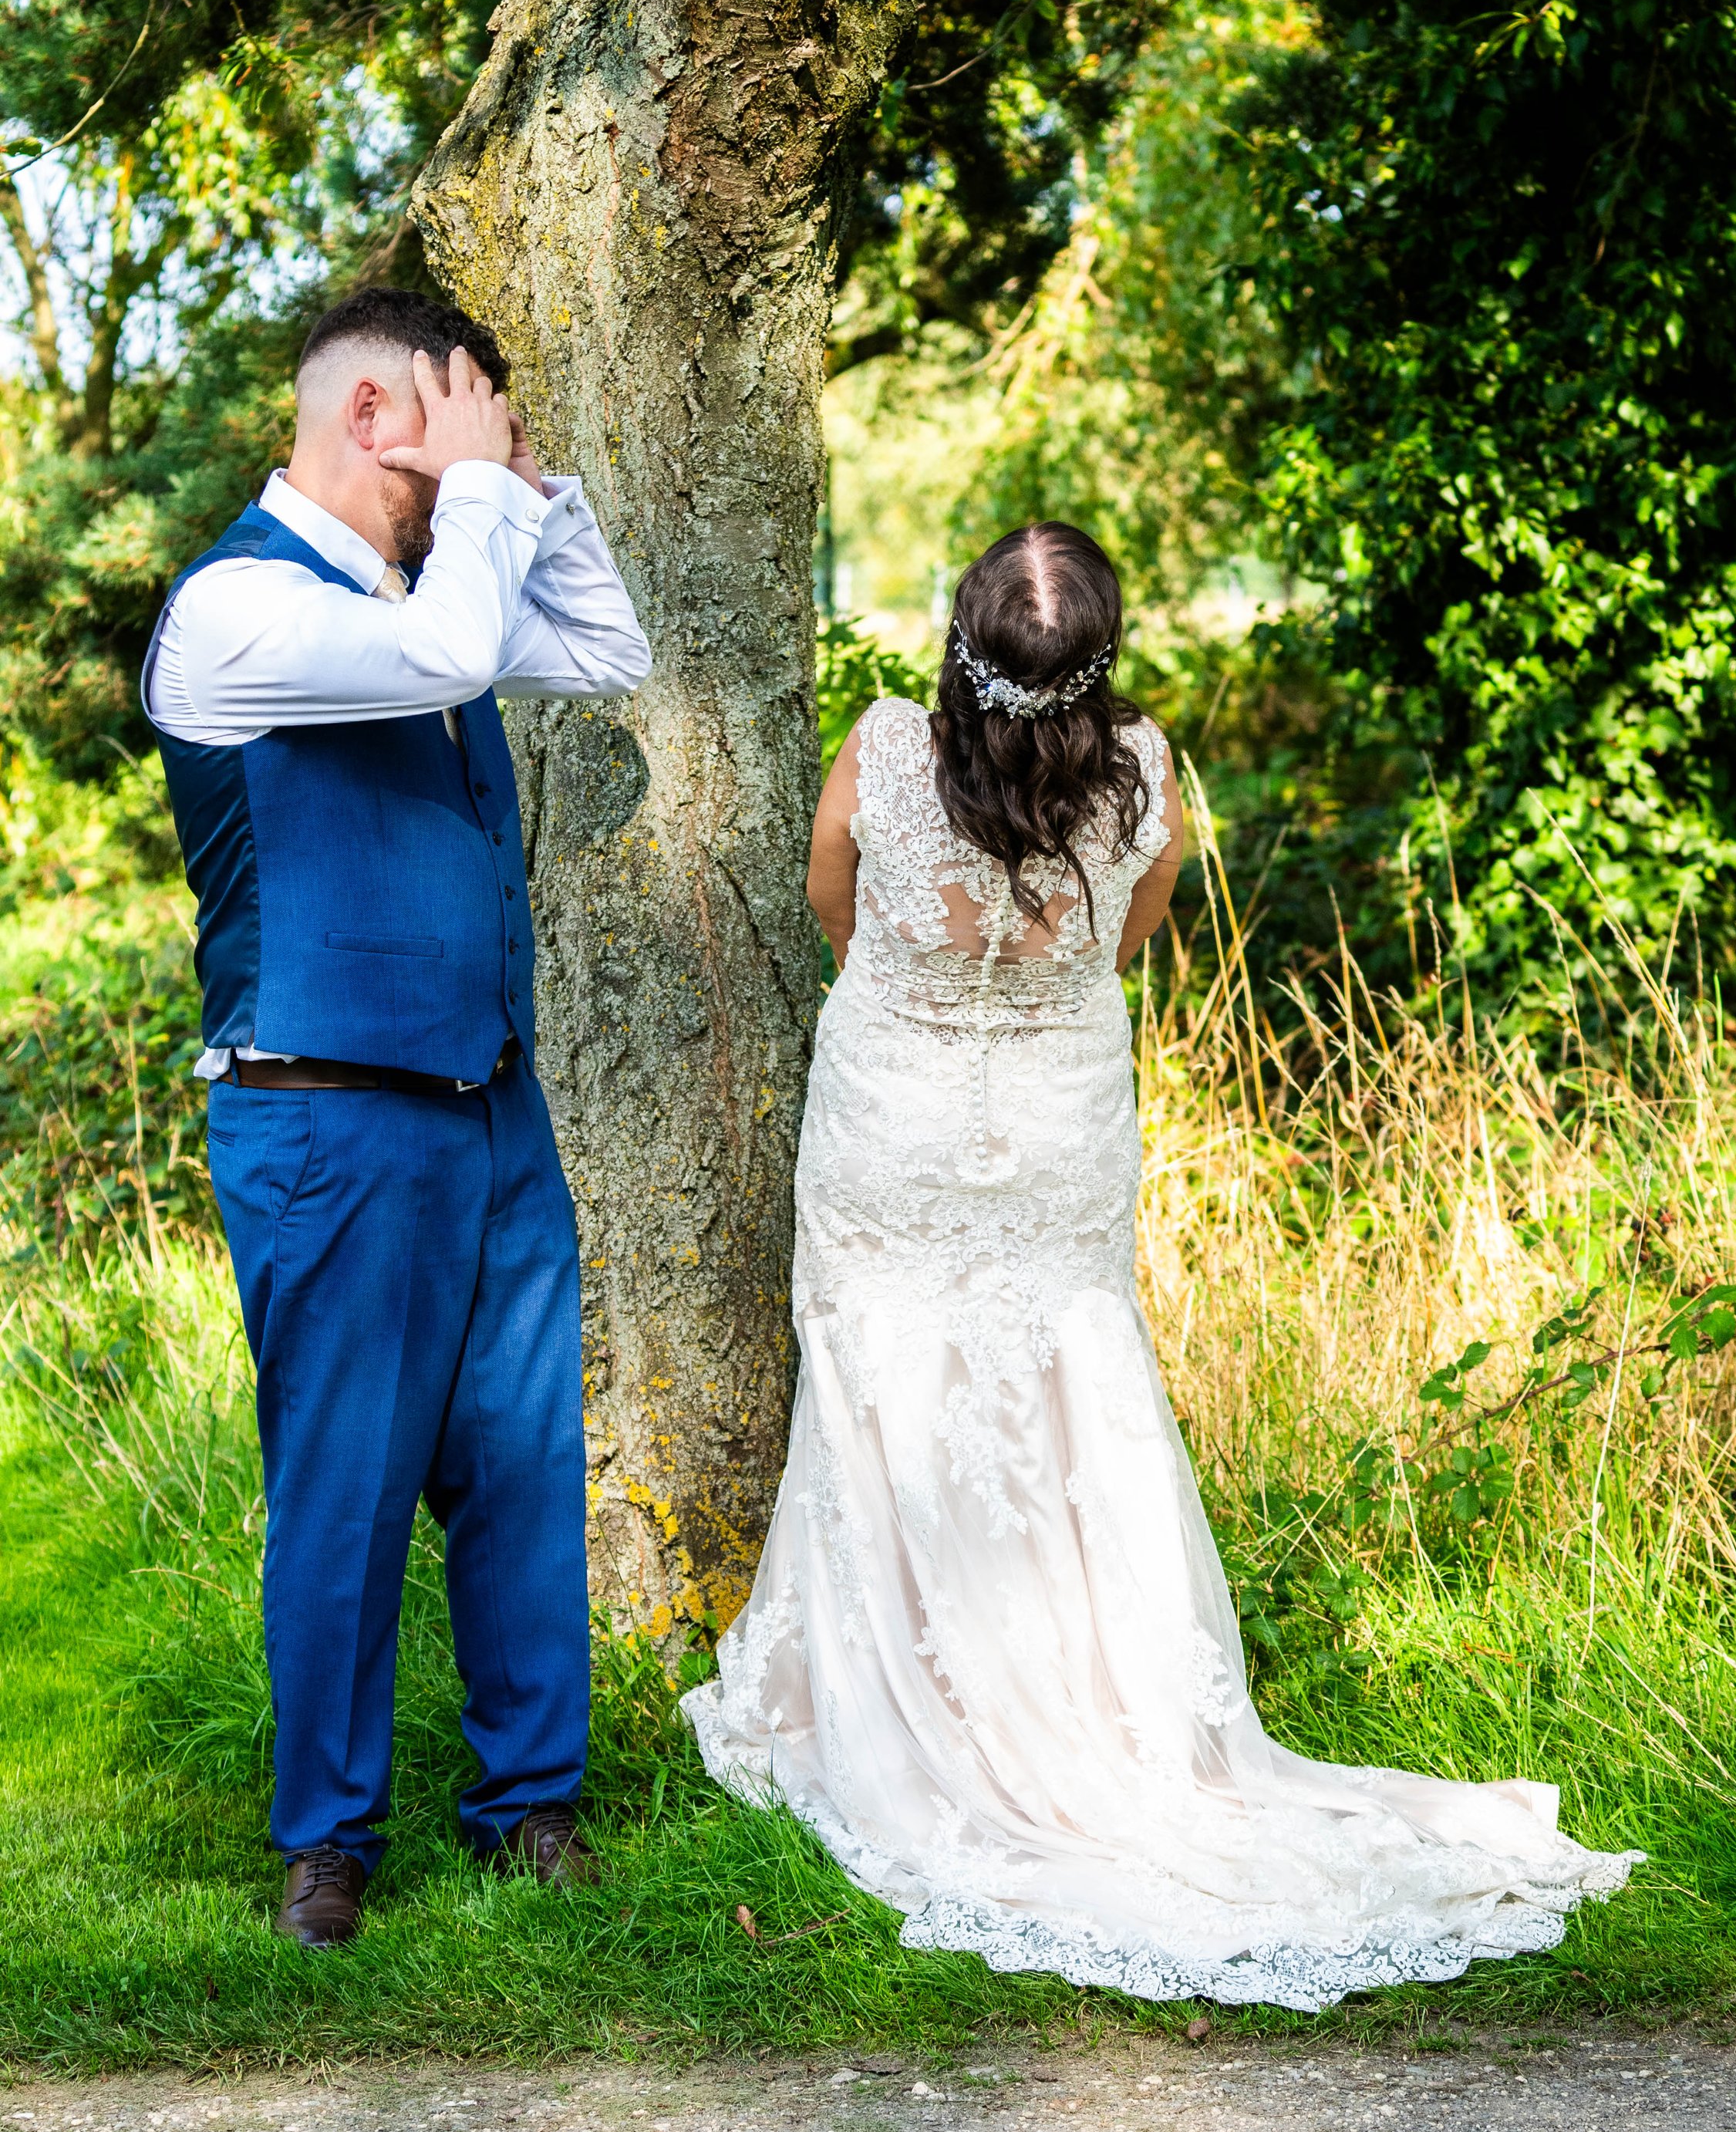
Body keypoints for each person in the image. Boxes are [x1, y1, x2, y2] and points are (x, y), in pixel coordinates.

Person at [683, 522, 1637, 2007]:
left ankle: (893, 1699)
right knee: (1072, 1387)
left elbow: (834, 907)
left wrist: (926, 995)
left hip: (897, 1118)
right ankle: (1093, 1708)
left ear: (960, 639)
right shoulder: (1142, 773)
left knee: (881, 1373)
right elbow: (1126, 943)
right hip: (1058, 1120)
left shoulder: (880, 747)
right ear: (1098, 657)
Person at [144, 287, 652, 1950]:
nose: (482, 461)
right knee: (346, 1491)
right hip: (329, 1127)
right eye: (465, 420)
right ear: (376, 419)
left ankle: (529, 1813)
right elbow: (445, 656)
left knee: (520, 1472)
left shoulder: (432, 582)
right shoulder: (234, 607)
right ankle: (328, 1846)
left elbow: (602, 649)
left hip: (492, 1114)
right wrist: (489, 502)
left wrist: (532, 491)